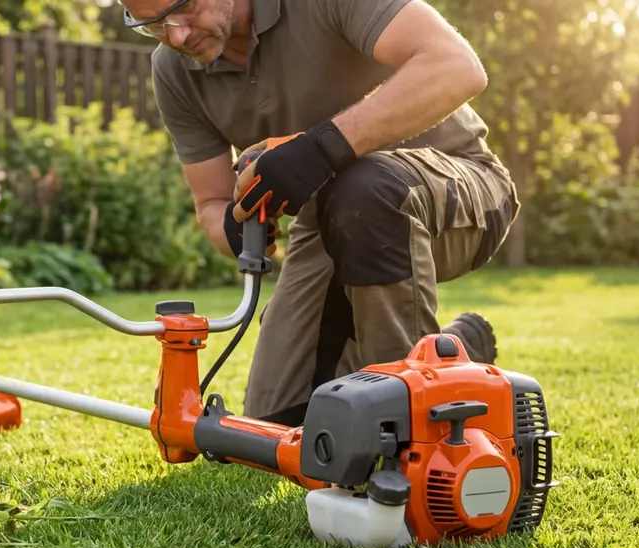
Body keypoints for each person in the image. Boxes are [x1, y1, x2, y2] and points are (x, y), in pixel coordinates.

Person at [121, 0, 519, 426]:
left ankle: (411, 413)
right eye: (154, 25)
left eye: (185, 8)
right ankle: (453, 350)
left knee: (365, 190)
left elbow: (457, 66)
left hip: (460, 186)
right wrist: (237, 229)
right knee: (279, 422)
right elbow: (211, 204)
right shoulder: (172, 70)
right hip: (332, 217)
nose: (176, 35)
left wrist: (319, 148)